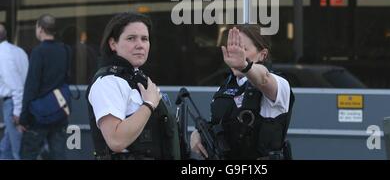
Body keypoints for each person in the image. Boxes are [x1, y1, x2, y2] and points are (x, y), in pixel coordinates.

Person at [190, 25, 295, 160]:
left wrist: (245, 66)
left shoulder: (279, 84)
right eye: (233, 48)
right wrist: (197, 135)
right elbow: (217, 124)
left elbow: (263, 78)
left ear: (262, 54)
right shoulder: (226, 86)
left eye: (244, 49)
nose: (236, 54)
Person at [86, 12, 180, 160]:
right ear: (113, 44)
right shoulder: (108, 82)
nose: (140, 45)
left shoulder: (135, 77)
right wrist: (148, 105)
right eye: (131, 38)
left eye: (145, 39)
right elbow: (116, 140)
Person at [19, 14, 71, 160]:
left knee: (28, 154)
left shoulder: (38, 51)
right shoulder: (66, 50)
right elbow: (66, 79)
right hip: (59, 110)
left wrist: (24, 118)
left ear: (40, 29)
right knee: (58, 154)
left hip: (39, 114)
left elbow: (31, 86)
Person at [0, 24, 29, 159]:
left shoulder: (2, 54)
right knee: (5, 149)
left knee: (18, 152)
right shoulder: (18, 51)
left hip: (13, 105)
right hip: (19, 103)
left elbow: (16, 86)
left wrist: (17, 112)